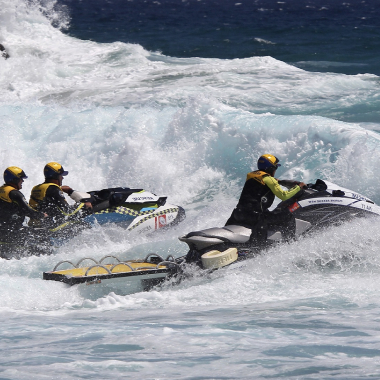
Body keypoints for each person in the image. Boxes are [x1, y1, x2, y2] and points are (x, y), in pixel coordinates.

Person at [226, 154, 306, 241]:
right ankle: (289, 243)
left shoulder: (252, 176)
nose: (275, 170)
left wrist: (275, 182)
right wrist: (299, 187)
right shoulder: (268, 179)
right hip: (255, 217)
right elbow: (284, 196)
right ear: (271, 168)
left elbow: (259, 188)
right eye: (275, 167)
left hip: (239, 213)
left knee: (267, 212)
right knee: (288, 217)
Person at [29, 162, 92, 229]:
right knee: (85, 225)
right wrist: (83, 205)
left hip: (36, 227)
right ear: (56, 176)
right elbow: (67, 211)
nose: (62, 178)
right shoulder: (53, 188)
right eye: (61, 175)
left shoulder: (36, 188)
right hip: (50, 229)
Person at [0, 166, 46, 243]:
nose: (22, 181)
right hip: (12, 233)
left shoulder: (2, 190)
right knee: (44, 233)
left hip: (2, 232)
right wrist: (42, 215)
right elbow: (28, 211)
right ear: (15, 179)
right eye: (21, 178)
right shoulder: (15, 194)